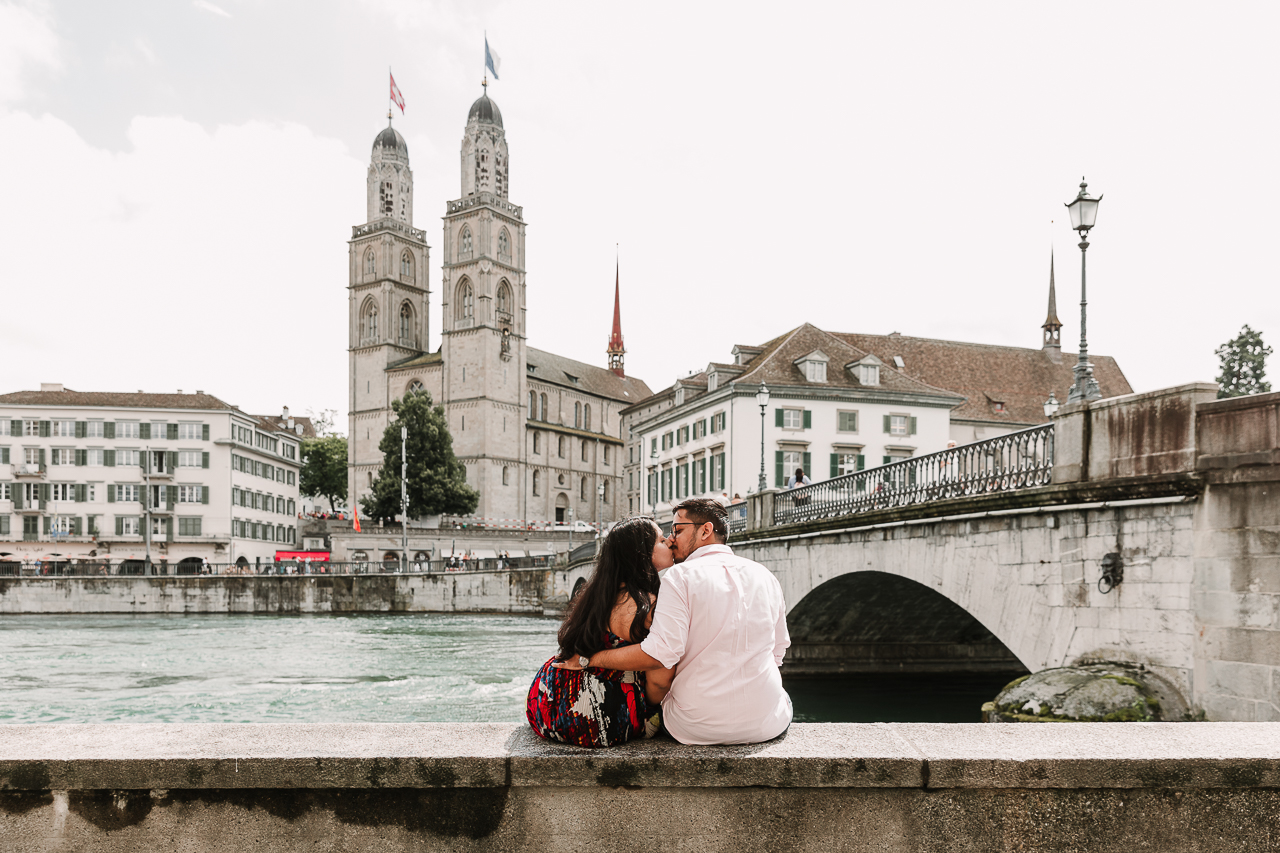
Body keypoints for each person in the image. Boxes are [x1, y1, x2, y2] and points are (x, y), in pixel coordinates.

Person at [567, 498, 792, 745]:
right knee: (783, 697)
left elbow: (661, 654)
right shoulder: (765, 576)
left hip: (694, 726)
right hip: (768, 722)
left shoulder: (679, 576)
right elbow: (778, 651)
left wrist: (592, 659)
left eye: (677, 530)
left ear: (706, 530)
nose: (672, 539)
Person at [526, 517, 675, 747]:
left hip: (546, 703)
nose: (669, 542)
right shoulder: (650, 607)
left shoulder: (594, 596)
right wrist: (650, 710)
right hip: (599, 717)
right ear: (643, 553)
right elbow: (661, 679)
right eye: (660, 540)